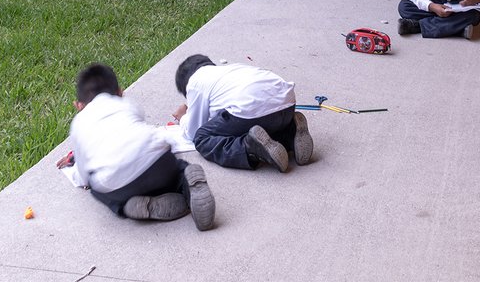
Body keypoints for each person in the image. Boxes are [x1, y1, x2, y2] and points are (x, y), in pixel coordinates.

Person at [65, 63, 215, 229]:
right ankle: (186, 183)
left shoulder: (78, 123)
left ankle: (131, 206)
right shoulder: (127, 104)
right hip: (159, 165)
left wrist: (80, 174)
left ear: (78, 105)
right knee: (179, 169)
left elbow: (83, 174)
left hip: (118, 185)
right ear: (120, 93)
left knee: (96, 188)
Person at [172, 54, 313, 173]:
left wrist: (184, 117)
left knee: (202, 138)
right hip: (287, 105)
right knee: (250, 122)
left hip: (253, 111)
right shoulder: (230, 70)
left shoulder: (195, 82)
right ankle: (290, 132)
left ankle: (251, 149)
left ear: (185, 86)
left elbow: (193, 132)